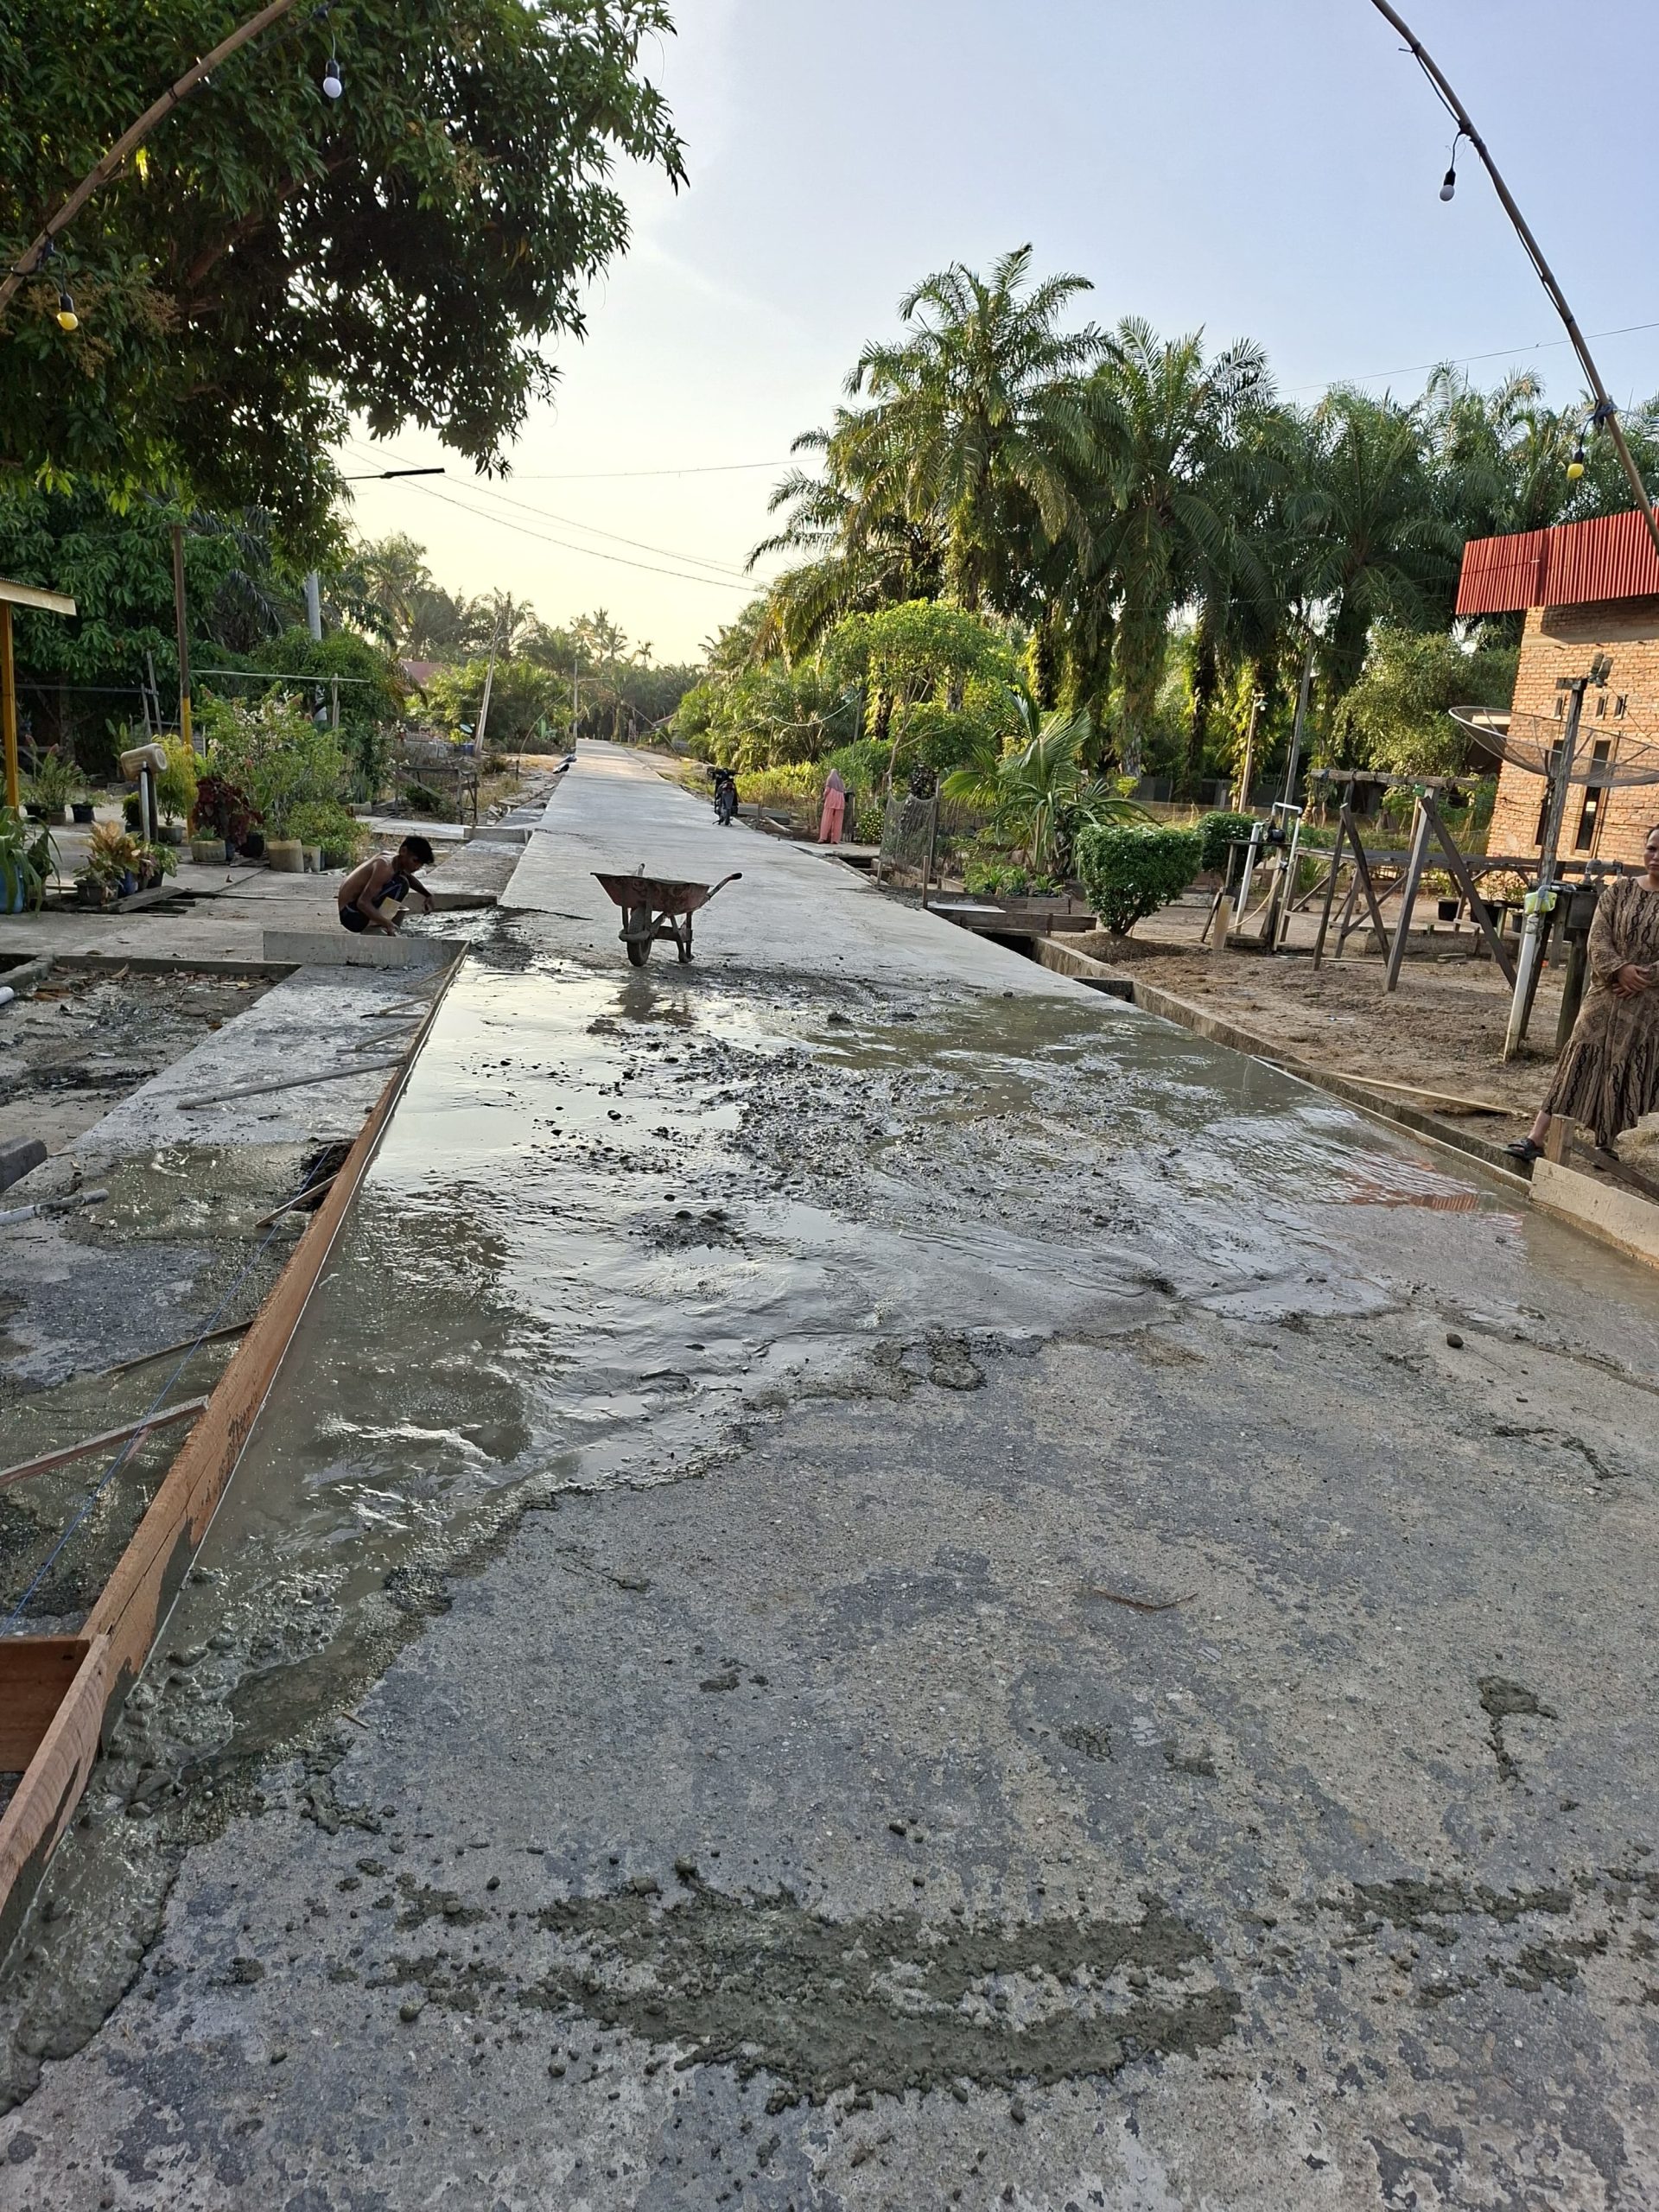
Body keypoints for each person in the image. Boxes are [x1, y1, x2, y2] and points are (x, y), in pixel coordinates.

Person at [1507, 822, 1659, 1160]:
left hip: (1646, 1003)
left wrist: (1644, 977)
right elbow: (1598, 936)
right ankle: (1536, 1137)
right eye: (1652, 848)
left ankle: (1606, 1144)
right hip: (1605, 992)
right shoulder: (1619, 891)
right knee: (1577, 1059)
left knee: (1624, 1065)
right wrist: (1619, 969)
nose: (1656, 857)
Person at [337, 836, 436, 935]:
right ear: (403, 851)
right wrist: (387, 924)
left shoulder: (395, 860)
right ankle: (374, 927)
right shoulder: (384, 867)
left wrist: (428, 895)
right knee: (401, 885)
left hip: (351, 908)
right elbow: (362, 903)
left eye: (421, 865)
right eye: (415, 861)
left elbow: (409, 877)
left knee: (402, 880)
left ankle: (380, 922)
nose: (417, 867)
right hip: (351, 915)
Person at [818, 766, 847, 846]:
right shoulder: (841, 782)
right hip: (840, 802)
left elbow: (827, 790)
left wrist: (823, 797)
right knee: (838, 821)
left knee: (826, 819)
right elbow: (844, 792)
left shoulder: (830, 779)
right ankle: (835, 840)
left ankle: (822, 838)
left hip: (831, 801)